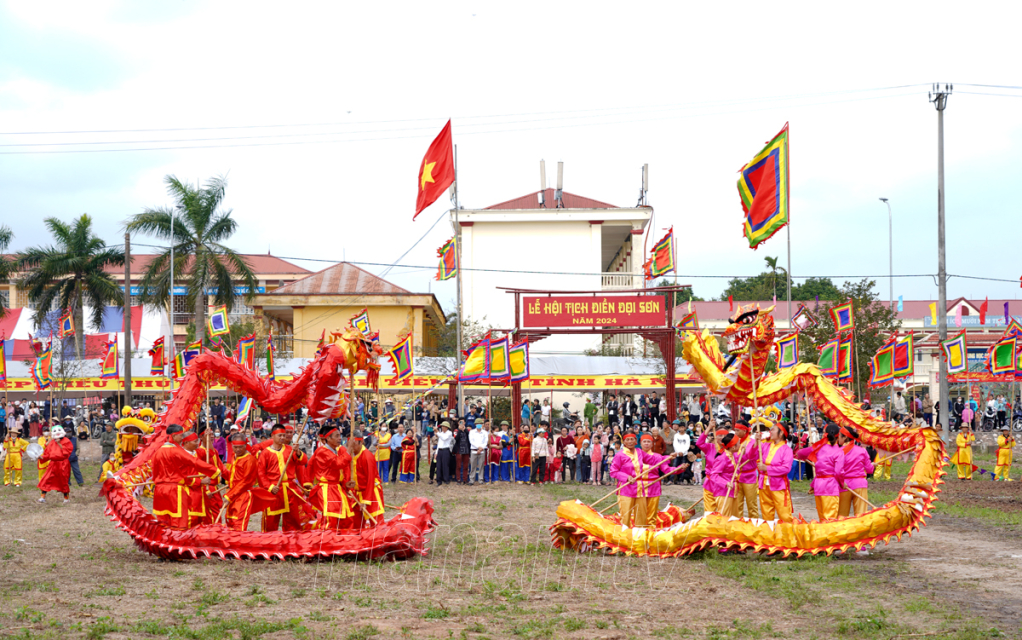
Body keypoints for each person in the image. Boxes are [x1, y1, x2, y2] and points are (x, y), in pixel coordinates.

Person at [609, 431, 686, 527]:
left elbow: (653, 459)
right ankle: (623, 536)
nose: (630, 442)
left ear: (636, 441)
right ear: (623, 442)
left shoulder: (639, 452)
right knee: (625, 517)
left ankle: (640, 537)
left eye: (632, 439)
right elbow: (613, 472)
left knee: (641, 516)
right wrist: (626, 477)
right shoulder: (619, 455)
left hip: (640, 490)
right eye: (627, 440)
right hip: (626, 489)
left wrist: (668, 457)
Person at [151, 425, 220, 529]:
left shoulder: (157, 452)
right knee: (178, 524)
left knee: (164, 523)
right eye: (180, 435)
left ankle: (164, 543)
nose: (182, 438)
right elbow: (194, 462)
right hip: (176, 490)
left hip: (160, 491)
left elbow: (154, 472)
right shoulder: (177, 451)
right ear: (173, 436)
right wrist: (214, 471)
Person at [257, 424, 311, 532]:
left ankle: (291, 545)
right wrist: (270, 487)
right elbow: (261, 473)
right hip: (274, 491)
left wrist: (298, 452)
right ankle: (272, 545)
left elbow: (303, 461)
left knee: (293, 522)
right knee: (271, 522)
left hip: (290, 490)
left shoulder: (290, 450)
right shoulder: (265, 453)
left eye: (283, 435)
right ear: (272, 436)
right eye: (279, 435)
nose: (282, 437)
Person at [795, 424, 845, 521]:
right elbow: (838, 472)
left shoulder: (819, 448)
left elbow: (799, 454)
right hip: (830, 487)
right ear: (838, 436)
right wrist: (842, 484)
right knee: (830, 519)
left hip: (818, 486)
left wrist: (813, 447)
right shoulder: (839, 452)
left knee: (822, 519)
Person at [308, 424, 354, 529]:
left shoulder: (334, 451)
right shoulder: (322, 451)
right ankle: (327, 540)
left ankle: (344, 539)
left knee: (346, 515)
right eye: (337, 436)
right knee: (332, 517)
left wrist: (345, 483)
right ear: (328, 438)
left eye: (340, 435)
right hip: (327, 489)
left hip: (336, 487)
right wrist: (349, 449)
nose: (340, 438)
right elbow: (338, 464)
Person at [757, 421, 793, 523]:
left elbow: (786, 468)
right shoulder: (765, 446)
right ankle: (769, 534)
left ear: (781, 433)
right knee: (766, 513)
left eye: (773, 429)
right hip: (763, 483)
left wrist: (767, 468)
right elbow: (751, 455)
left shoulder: (787, 450)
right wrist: (756, 442)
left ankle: (788, 535)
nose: (771, 431)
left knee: (784, 513)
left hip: (778, 484)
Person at [347, 430, 385, 527]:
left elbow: (370, 479)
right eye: (349, 445)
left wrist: (366, 500)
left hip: (371, 491)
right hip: (357, 493)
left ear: (361, 442)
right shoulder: (351, 456)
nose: (351, 448)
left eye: (353, 445)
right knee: (355, 522)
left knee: (377, 523)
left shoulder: (367, 456)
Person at [837, 426, 874, 517]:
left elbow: (836, 470)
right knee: (861, 516)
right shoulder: (862, 451)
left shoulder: (837, 451)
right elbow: (869, 470)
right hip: (860, 485)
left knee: (841, 516)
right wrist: (872, 465)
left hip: (844, 485)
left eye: (839, 436)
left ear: (845, 437)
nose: (838, 438)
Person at [733, 423, 760, 518]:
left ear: (744, 431)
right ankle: (738, 524)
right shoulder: (736, 442)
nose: (735, 432)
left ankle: (754, 526)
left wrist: (744, 454)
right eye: (735, 430)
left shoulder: (753, 442)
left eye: (737, 430)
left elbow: (753, 457)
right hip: (737, 476)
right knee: (737, 505)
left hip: (749, 476)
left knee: (751, 504)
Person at [433, 421, 453, 486]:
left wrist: (437, 432)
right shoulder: (441, 433)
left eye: (443, 426)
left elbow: (444, 438)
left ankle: (446, 479)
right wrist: (436, 452)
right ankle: (439, 480)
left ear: (446, 427)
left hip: (446, 450)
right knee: (438, 466)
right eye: (441, 426)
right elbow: (439, 444)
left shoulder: (449, 433)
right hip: (440, 450)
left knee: (445, 465)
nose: (442, 428)